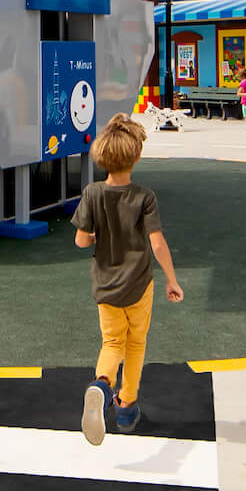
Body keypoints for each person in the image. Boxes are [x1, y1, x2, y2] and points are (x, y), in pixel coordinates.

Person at [73, 114, 183, 445]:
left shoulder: (92, 193)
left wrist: (95, 238)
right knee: (136, 342)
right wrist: (171, 280)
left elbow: (81, 240)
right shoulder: (145, 196)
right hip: (139, 284)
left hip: (105, 284)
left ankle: (101, 384)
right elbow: (158, 243)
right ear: (136, 156)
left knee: (111, 342)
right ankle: (126, 405)